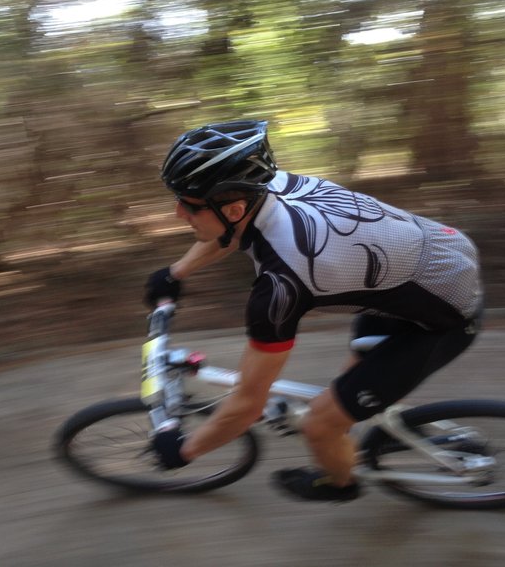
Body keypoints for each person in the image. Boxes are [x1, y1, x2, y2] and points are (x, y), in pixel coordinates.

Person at [145, 120, 483, 502]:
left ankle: (340, 485)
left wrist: (182, 451)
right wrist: (176, 273)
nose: (177, 213)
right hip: (434, 260)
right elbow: (230, 231)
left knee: (321, 424)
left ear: (236, 206)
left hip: (442, 316)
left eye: (188, 205)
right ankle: (383, 424)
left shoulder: (281, 286)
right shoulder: (271, 186)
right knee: (349, 391)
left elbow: (246, 405)